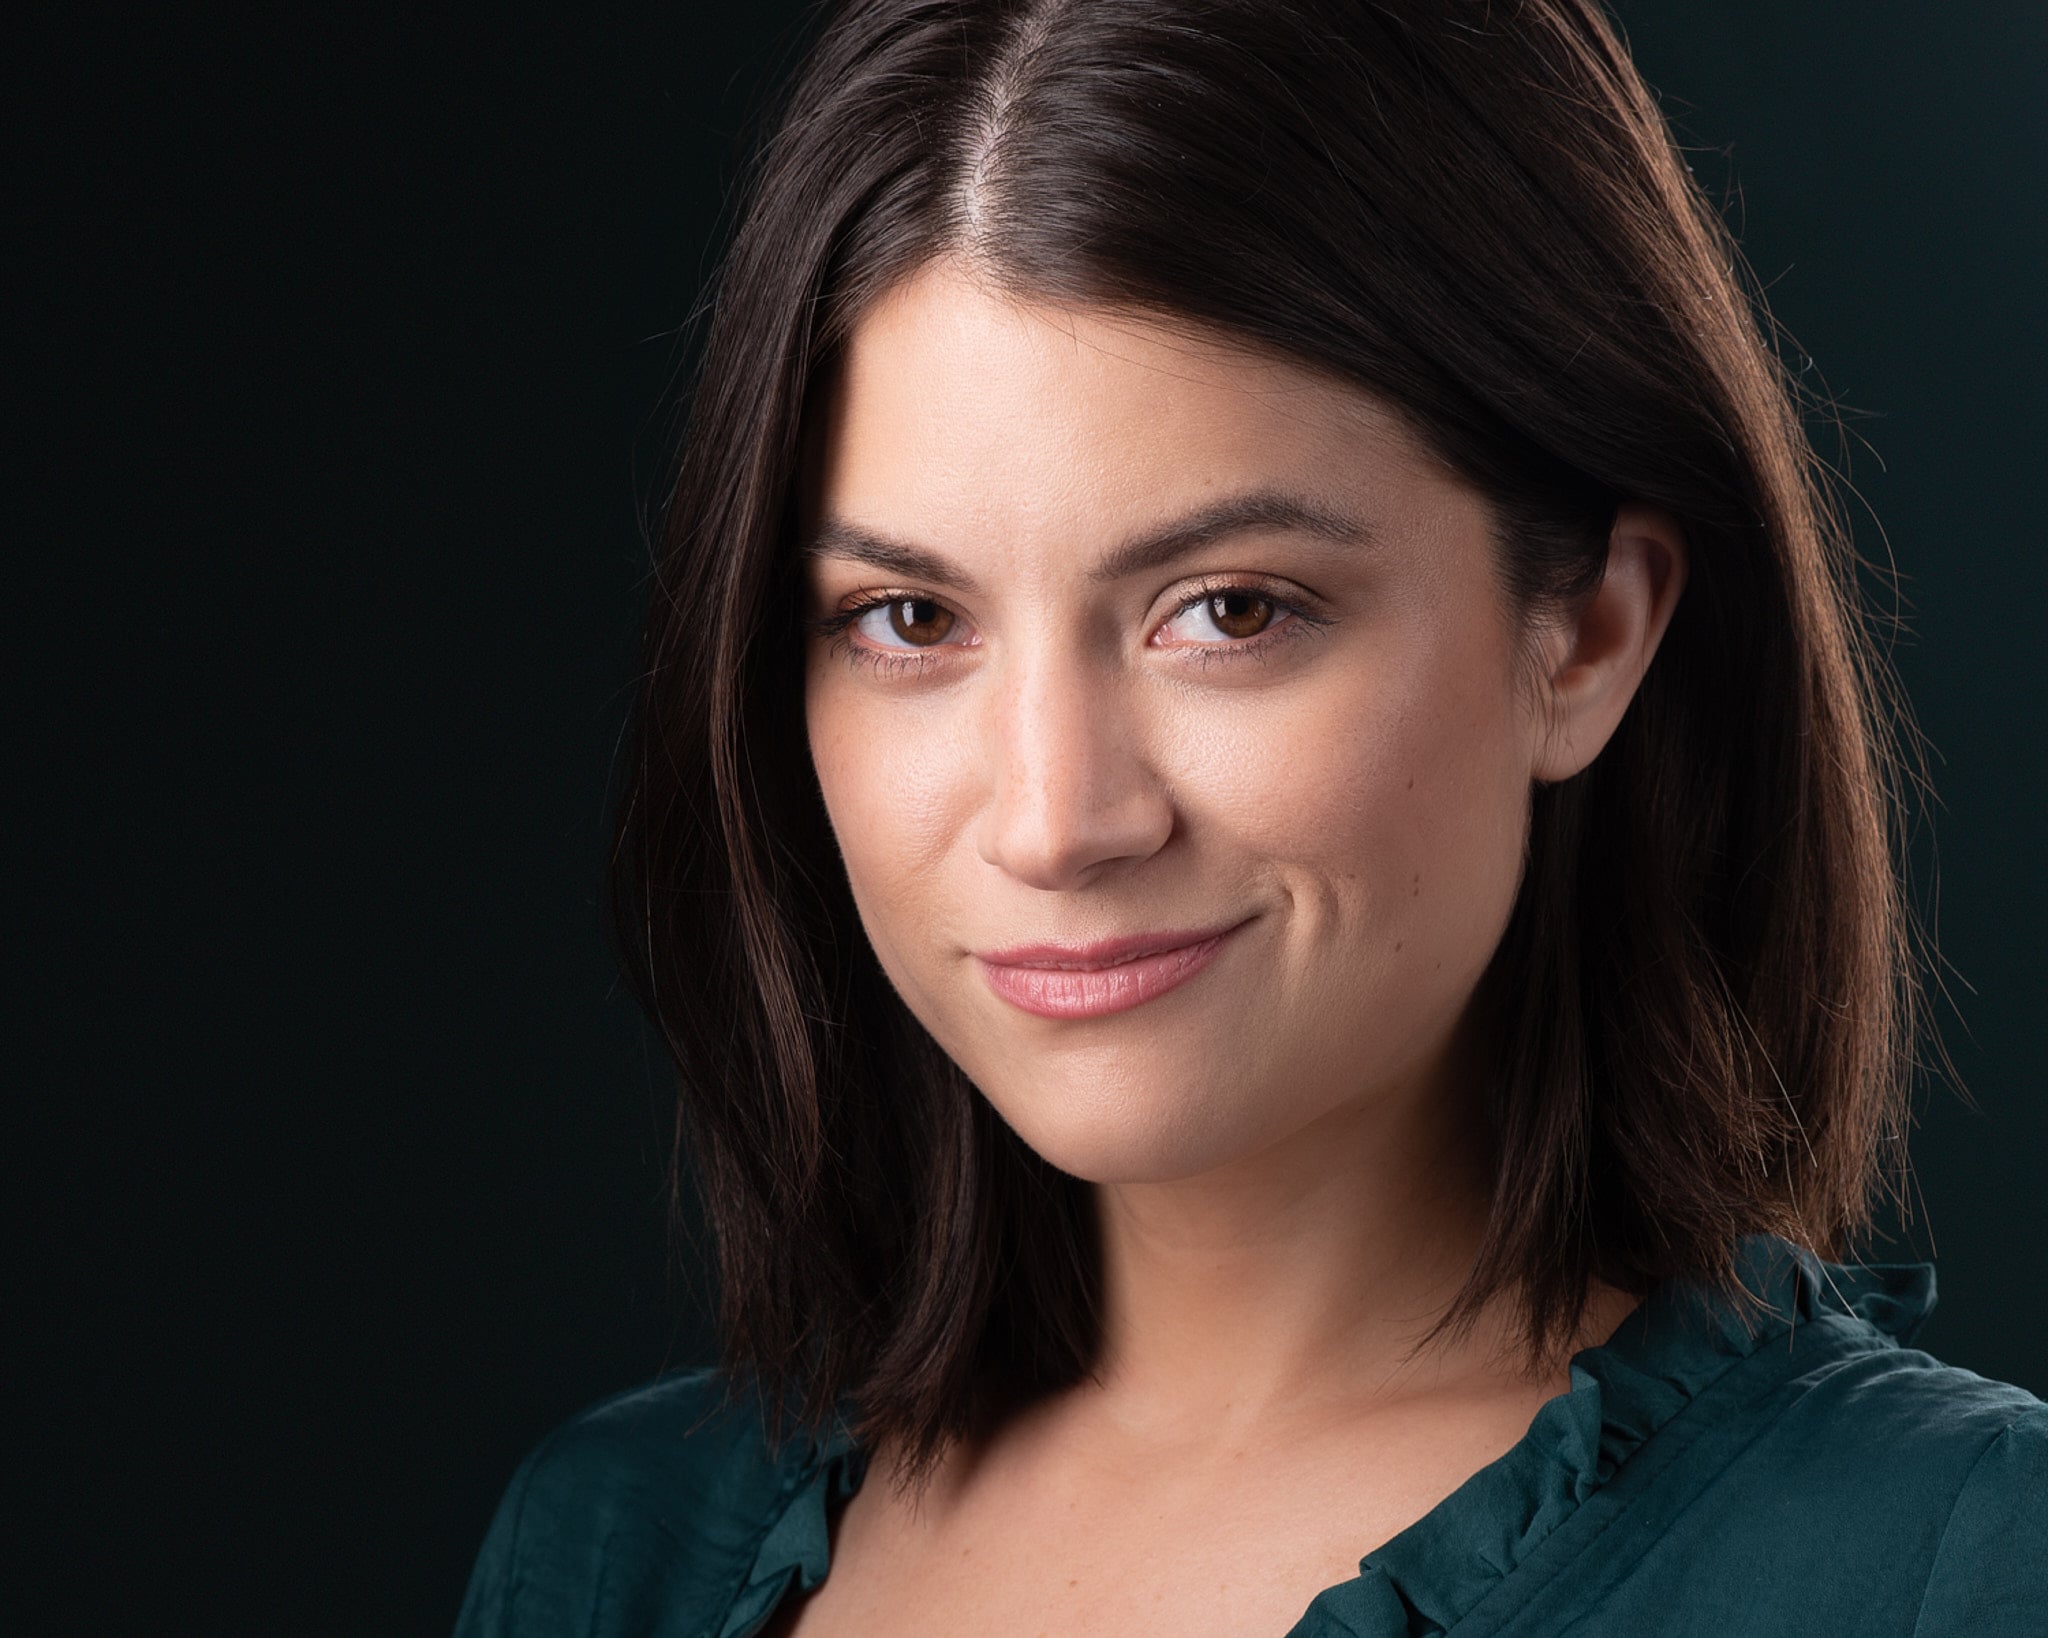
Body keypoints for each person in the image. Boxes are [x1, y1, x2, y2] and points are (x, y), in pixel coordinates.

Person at [454, 2, 2046, 1633]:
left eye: (1228, 610)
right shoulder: (609, 1555)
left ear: (1589, 631)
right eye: (912, 621)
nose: (1058, 818)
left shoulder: (1953, 1563)